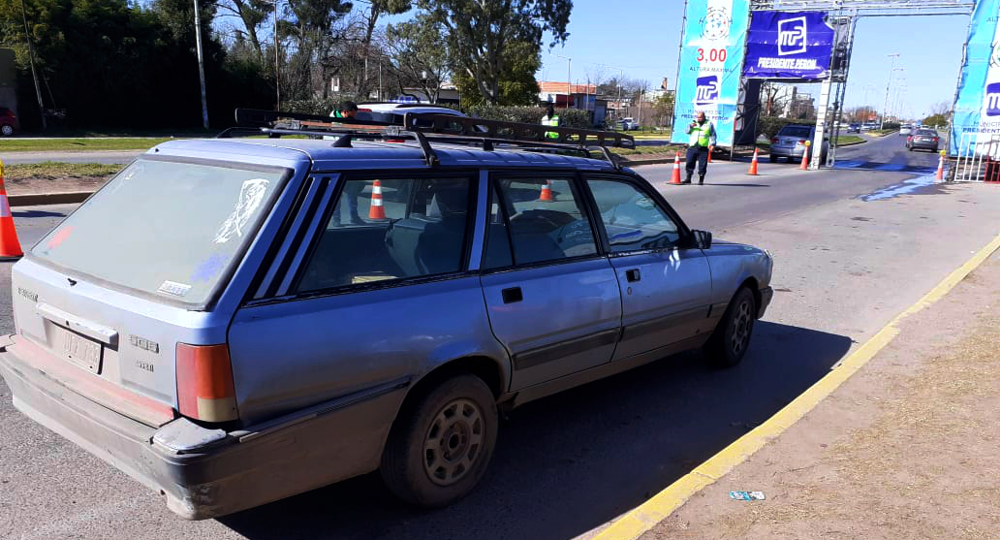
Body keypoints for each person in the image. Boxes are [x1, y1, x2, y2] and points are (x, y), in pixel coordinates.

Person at [685, 111, 716, 185]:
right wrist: (690, 127)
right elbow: (687, 132)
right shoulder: (693, 123)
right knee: (689, 162)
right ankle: (688, 179)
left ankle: (701, 180)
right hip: (693, 146)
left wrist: (713, 144)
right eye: (698, 117)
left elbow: (713, 134)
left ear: (704, 117)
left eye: (700, 117)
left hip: (703, 147)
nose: (699, 119)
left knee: (702, 165)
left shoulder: (709, 124)